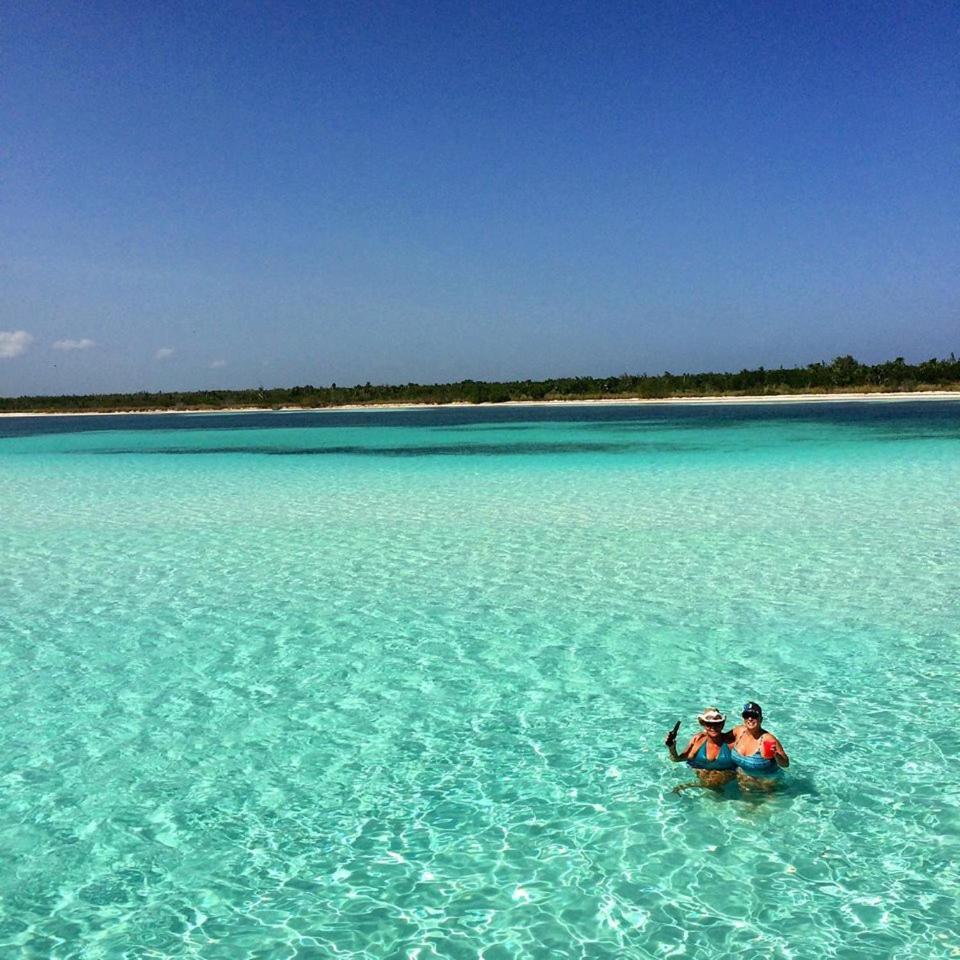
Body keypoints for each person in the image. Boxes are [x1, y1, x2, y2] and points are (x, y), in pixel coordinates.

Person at [664, 706, 737, 791]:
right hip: (704, 784)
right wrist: (671, 747)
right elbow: (676, 759)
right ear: (703, 724)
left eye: (717, 723)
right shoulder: (697, 741)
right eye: (709, 724)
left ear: (722, 724)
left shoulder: (731, 743)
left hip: (726, 785)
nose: (713, 727)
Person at [730, 701, 789, 791]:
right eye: (747, 715)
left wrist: (776, 755)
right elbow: (719, 737)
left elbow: (785, 764)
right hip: (744, 782)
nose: (750, 718)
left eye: (754, 716)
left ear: (761, 719)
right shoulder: (738, 731)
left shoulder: (768, 739)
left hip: (767, 784)